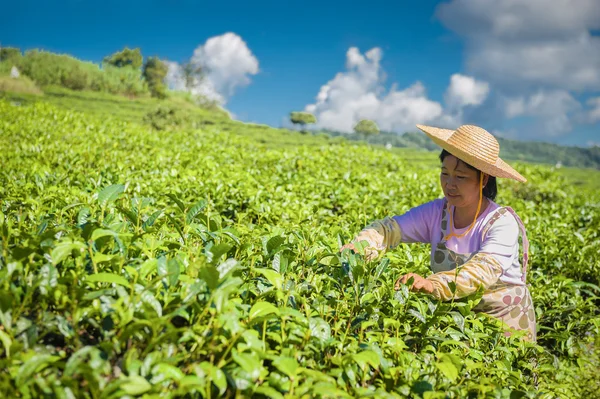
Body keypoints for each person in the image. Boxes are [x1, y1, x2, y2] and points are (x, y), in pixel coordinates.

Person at [341, 124, 536, 342]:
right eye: (445, 173)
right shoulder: (437, 212)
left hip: (505, 321)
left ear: (483, 180)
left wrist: (432, 284)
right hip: (459, 320)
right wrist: (360, 248)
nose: (449, 184)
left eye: (460, 177)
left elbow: (483, 271)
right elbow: (390, 229)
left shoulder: (501, 223)